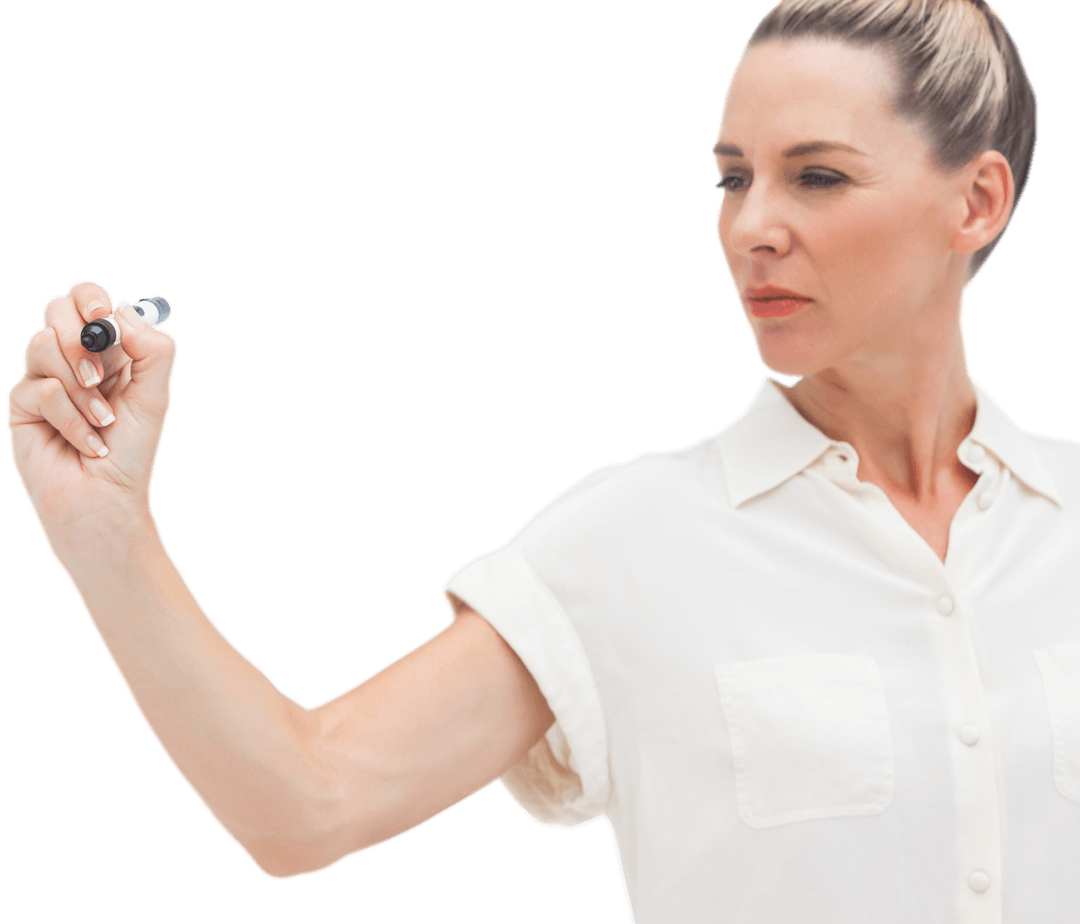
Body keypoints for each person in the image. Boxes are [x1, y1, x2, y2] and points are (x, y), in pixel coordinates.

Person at [7, 0, 1078, 920]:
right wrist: (107, 532)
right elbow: (305, 800)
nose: (753, 226)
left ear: (975, 202)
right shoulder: (635, 541)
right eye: (731, 178)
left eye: (819, 177)